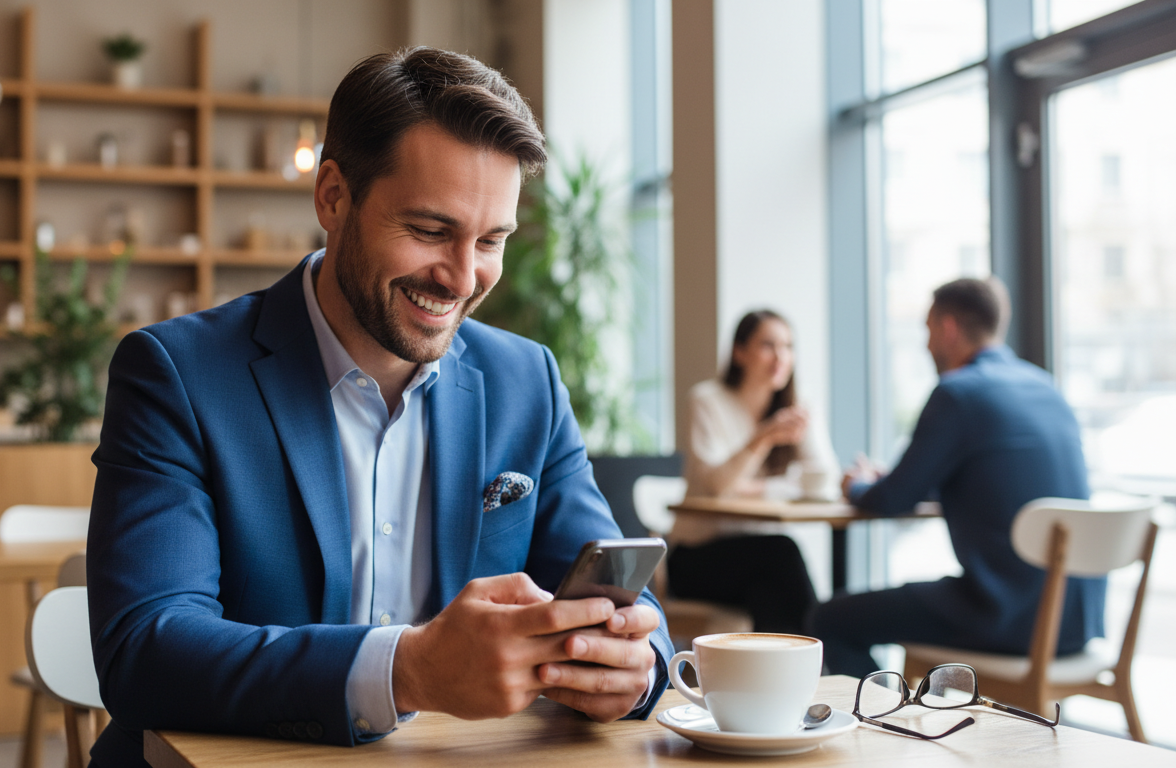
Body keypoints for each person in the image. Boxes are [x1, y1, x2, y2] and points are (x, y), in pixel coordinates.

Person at [86, 48, 672, 767]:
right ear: (333, 195)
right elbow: (144, 649)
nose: (462, 277)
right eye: (430, 230)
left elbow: (623, 607)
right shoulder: (178, 374)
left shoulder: (528, 382)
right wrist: (409, 668)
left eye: (491, 241)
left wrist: (632, 670)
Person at [810, 278, 1102, 676]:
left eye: (927, 330)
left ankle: (886, 721)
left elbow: (891, 499)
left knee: (831, 620)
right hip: (1073, 621)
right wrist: (904, 479)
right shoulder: (1044, 386)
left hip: (1006, 615)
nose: (926, 344)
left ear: (947, 328)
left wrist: (857, 485)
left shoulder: (958, 393)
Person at [669, 310, 838, 635]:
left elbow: (824, 479)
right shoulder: (708, 400)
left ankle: (789, 679)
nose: (781, 357)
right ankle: (827, 661)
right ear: (740, 352)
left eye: (788, 346)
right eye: (768, 345)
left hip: (756, 559)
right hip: (695, 557)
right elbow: (719, 486)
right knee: (782, 553)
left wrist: (756, 488)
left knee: (771, 594)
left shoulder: (797, 404)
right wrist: (764, 437)